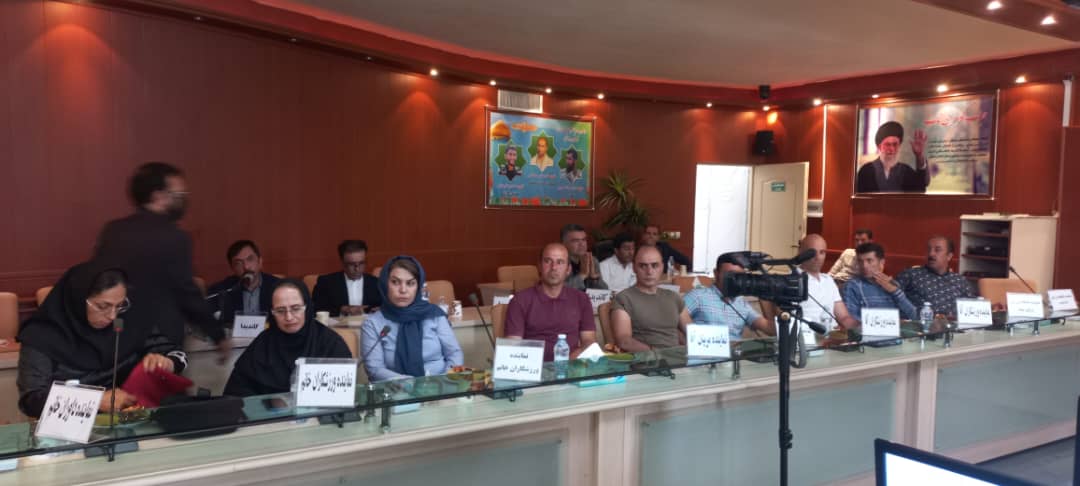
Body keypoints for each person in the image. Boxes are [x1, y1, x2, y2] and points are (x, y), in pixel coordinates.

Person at [93, 162, 230, 360]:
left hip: (115, 336)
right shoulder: (175, 238)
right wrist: (218, 335)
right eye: (179, 195)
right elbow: (187, 294)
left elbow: (97, 283)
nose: (184, 200)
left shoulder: (113, 231)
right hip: (160, 344)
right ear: (159, 196)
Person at [17, 263, 187, 417]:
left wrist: (168, 363)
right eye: (102, 306)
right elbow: (32, 401)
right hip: (70, 427)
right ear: (77, 299)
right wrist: (94, 401)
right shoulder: (42, 335)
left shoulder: (124, 320)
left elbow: (174, 353)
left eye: (119, 305)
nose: (112, 316)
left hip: (132, 420)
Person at [224, 280, 352, 397]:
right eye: (280, 311)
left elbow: (342, 395)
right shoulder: (262, 344)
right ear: (272, 312)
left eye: (295, 309)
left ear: (307, 308)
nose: (289, 317)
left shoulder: (330, 343)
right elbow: (236, 393)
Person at [361, 256, 463, 381]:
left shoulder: (434, 315)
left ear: (418, 286)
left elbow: (454, 354)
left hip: (440, 385)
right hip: (395, 389)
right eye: (395, 282)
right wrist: (410, 384)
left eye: (410, 283)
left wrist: (445, 379)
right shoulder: (373, 323)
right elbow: (374, 369)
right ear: (385, 284)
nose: (403, 290)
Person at [505, 243, 597, 361]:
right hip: (532, 367)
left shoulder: (582, 299)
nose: (554, 267)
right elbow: (513, 346)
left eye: (560, 262)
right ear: (539, 266)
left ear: (568, 269)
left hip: (571, 366)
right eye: (548, 261)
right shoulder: (520, 300)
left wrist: (567, 363)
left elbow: (589, 341)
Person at [610, 246, 692, 351]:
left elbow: (693, 334)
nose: (649, 271)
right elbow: (624, 341)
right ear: (634, 268)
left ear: (662, 267)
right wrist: (658, 354)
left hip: (678, 357)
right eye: (643, 266)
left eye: (655, 265)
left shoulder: (674, 297)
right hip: (647, 359)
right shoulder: (623, 299)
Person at [683, 253, 775, 339]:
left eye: (740, 276)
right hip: (705, 348)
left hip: (735, 351)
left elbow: (771, 330)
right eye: (730, 275)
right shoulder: (698, 295)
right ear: (716, 273)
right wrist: (691, 340)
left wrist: (765, 293)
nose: (735, 280)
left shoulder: (742, 303)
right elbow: (676, 316)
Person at [896, 236, 976, 317]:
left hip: (952, 323)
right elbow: (891, 301)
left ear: (949, 256)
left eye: (937, 250)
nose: (931, 254)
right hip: (919, 323)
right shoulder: (911, 275)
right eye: (929, 250)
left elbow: (973, 310)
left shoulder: (960, 281)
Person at [207, 240, 281, 324]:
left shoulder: (278, 287)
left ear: (260, 262)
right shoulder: (222, 291)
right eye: (238, 263)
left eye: (250, 259)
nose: (246, 267)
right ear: (232, 268)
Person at [797, 235, 860, 330]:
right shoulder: (790, 281)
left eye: (822, 252)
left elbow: (844, 318)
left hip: (832, 336)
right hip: (806, 335)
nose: (818, 257)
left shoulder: (828, 280)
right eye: (812, 252)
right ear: (801, 252)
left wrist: (866, 326)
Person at [841, 242, 917, 320]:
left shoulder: (893, 284)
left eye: (869, 260)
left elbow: (913, 316)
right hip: (867, 327)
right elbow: (851, 318)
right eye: (860, 261)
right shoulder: (852, 286)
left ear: (881, 262)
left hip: (895, 327)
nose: (864, 266)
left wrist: (894, 291)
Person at [312, 239, 382, 317]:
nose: (357, 269)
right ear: (342, 263)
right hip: (337, 324)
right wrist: (341, 310)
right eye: (352, 264)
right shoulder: (326, 283)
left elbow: (383, 307)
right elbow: (316, 309)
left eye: (361, 263)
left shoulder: (376, 283)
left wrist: (380, 310)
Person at [856, 121, 929, 193]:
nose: (892, 149)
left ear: (899, 146)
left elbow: (920, 187)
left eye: (895, 144)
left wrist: (919, 155)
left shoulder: (906, 171)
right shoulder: (866, 171)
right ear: (879, 146)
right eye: (887, 145)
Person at [561, 224, 608, 290]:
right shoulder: (558, 263)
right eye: (575, 241)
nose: (582, 244)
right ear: (564, 244)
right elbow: (559, 290)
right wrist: (582, 275)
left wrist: (594, 278)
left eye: (584, 240)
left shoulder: (592, 260)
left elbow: (604, 291)